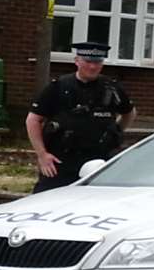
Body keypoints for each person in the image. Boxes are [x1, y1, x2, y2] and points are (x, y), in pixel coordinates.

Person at [26, 41, 135, 192]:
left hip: (99, 159)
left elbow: (129, 112)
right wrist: (42, 154)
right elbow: (33, 120)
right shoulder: (59, 86)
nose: (92, 66)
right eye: (88, 61)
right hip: (62, 159)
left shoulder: (111, 87)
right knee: (46, 200)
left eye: (97, 62)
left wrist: (115, 130)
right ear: (77, 61)